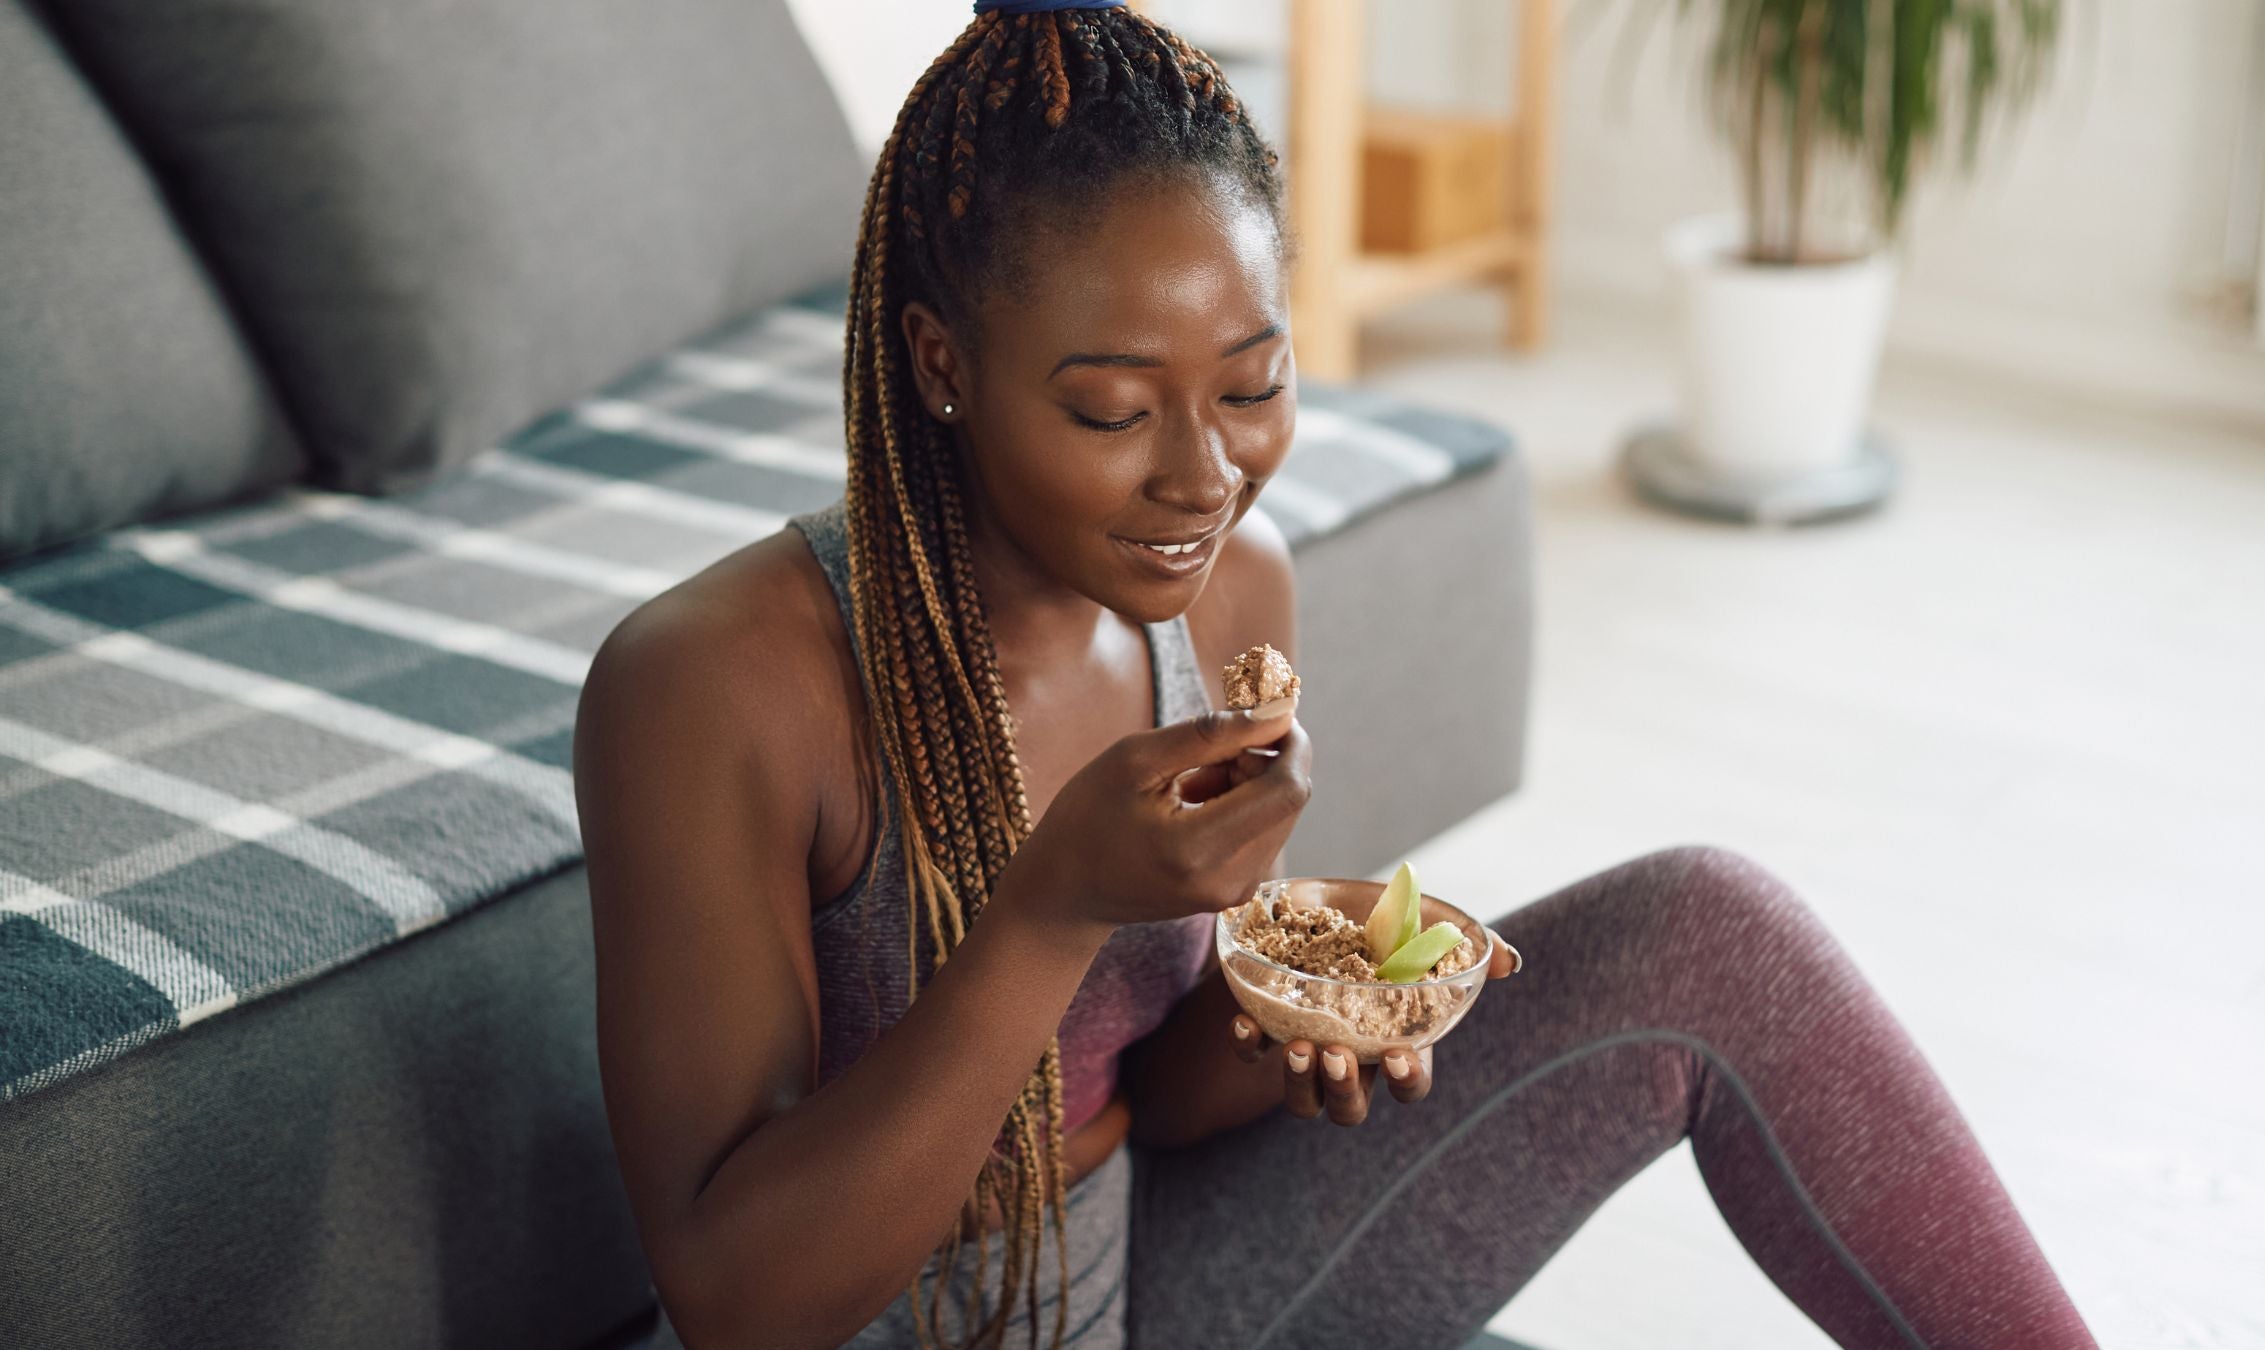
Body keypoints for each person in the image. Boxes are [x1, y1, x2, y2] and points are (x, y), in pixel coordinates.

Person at [571, 3, 2100, 1347]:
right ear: (938, 362)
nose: (1204, 476)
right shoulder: (718, 686)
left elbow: (1160, 1093)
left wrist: (1291, 1018)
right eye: (1113, 412)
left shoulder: (1233, 588)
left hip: (1150, 1272)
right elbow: (737, 1302)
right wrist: (1051, 906)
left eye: (1253, 384)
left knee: (1713, 929)